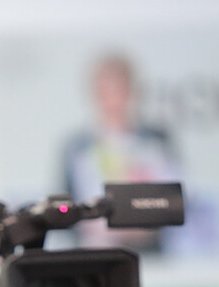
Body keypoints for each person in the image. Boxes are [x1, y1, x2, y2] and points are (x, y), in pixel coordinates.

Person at [60, 54, 183, 253]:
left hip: (150, 250)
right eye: (106, 90)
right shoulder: (77, 147)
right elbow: (67, 208)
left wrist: (144, 224)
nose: (113, 99)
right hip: (96, 251)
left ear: (132, 91)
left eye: (119, 89)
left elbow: (175, 199)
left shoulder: (156, 141)